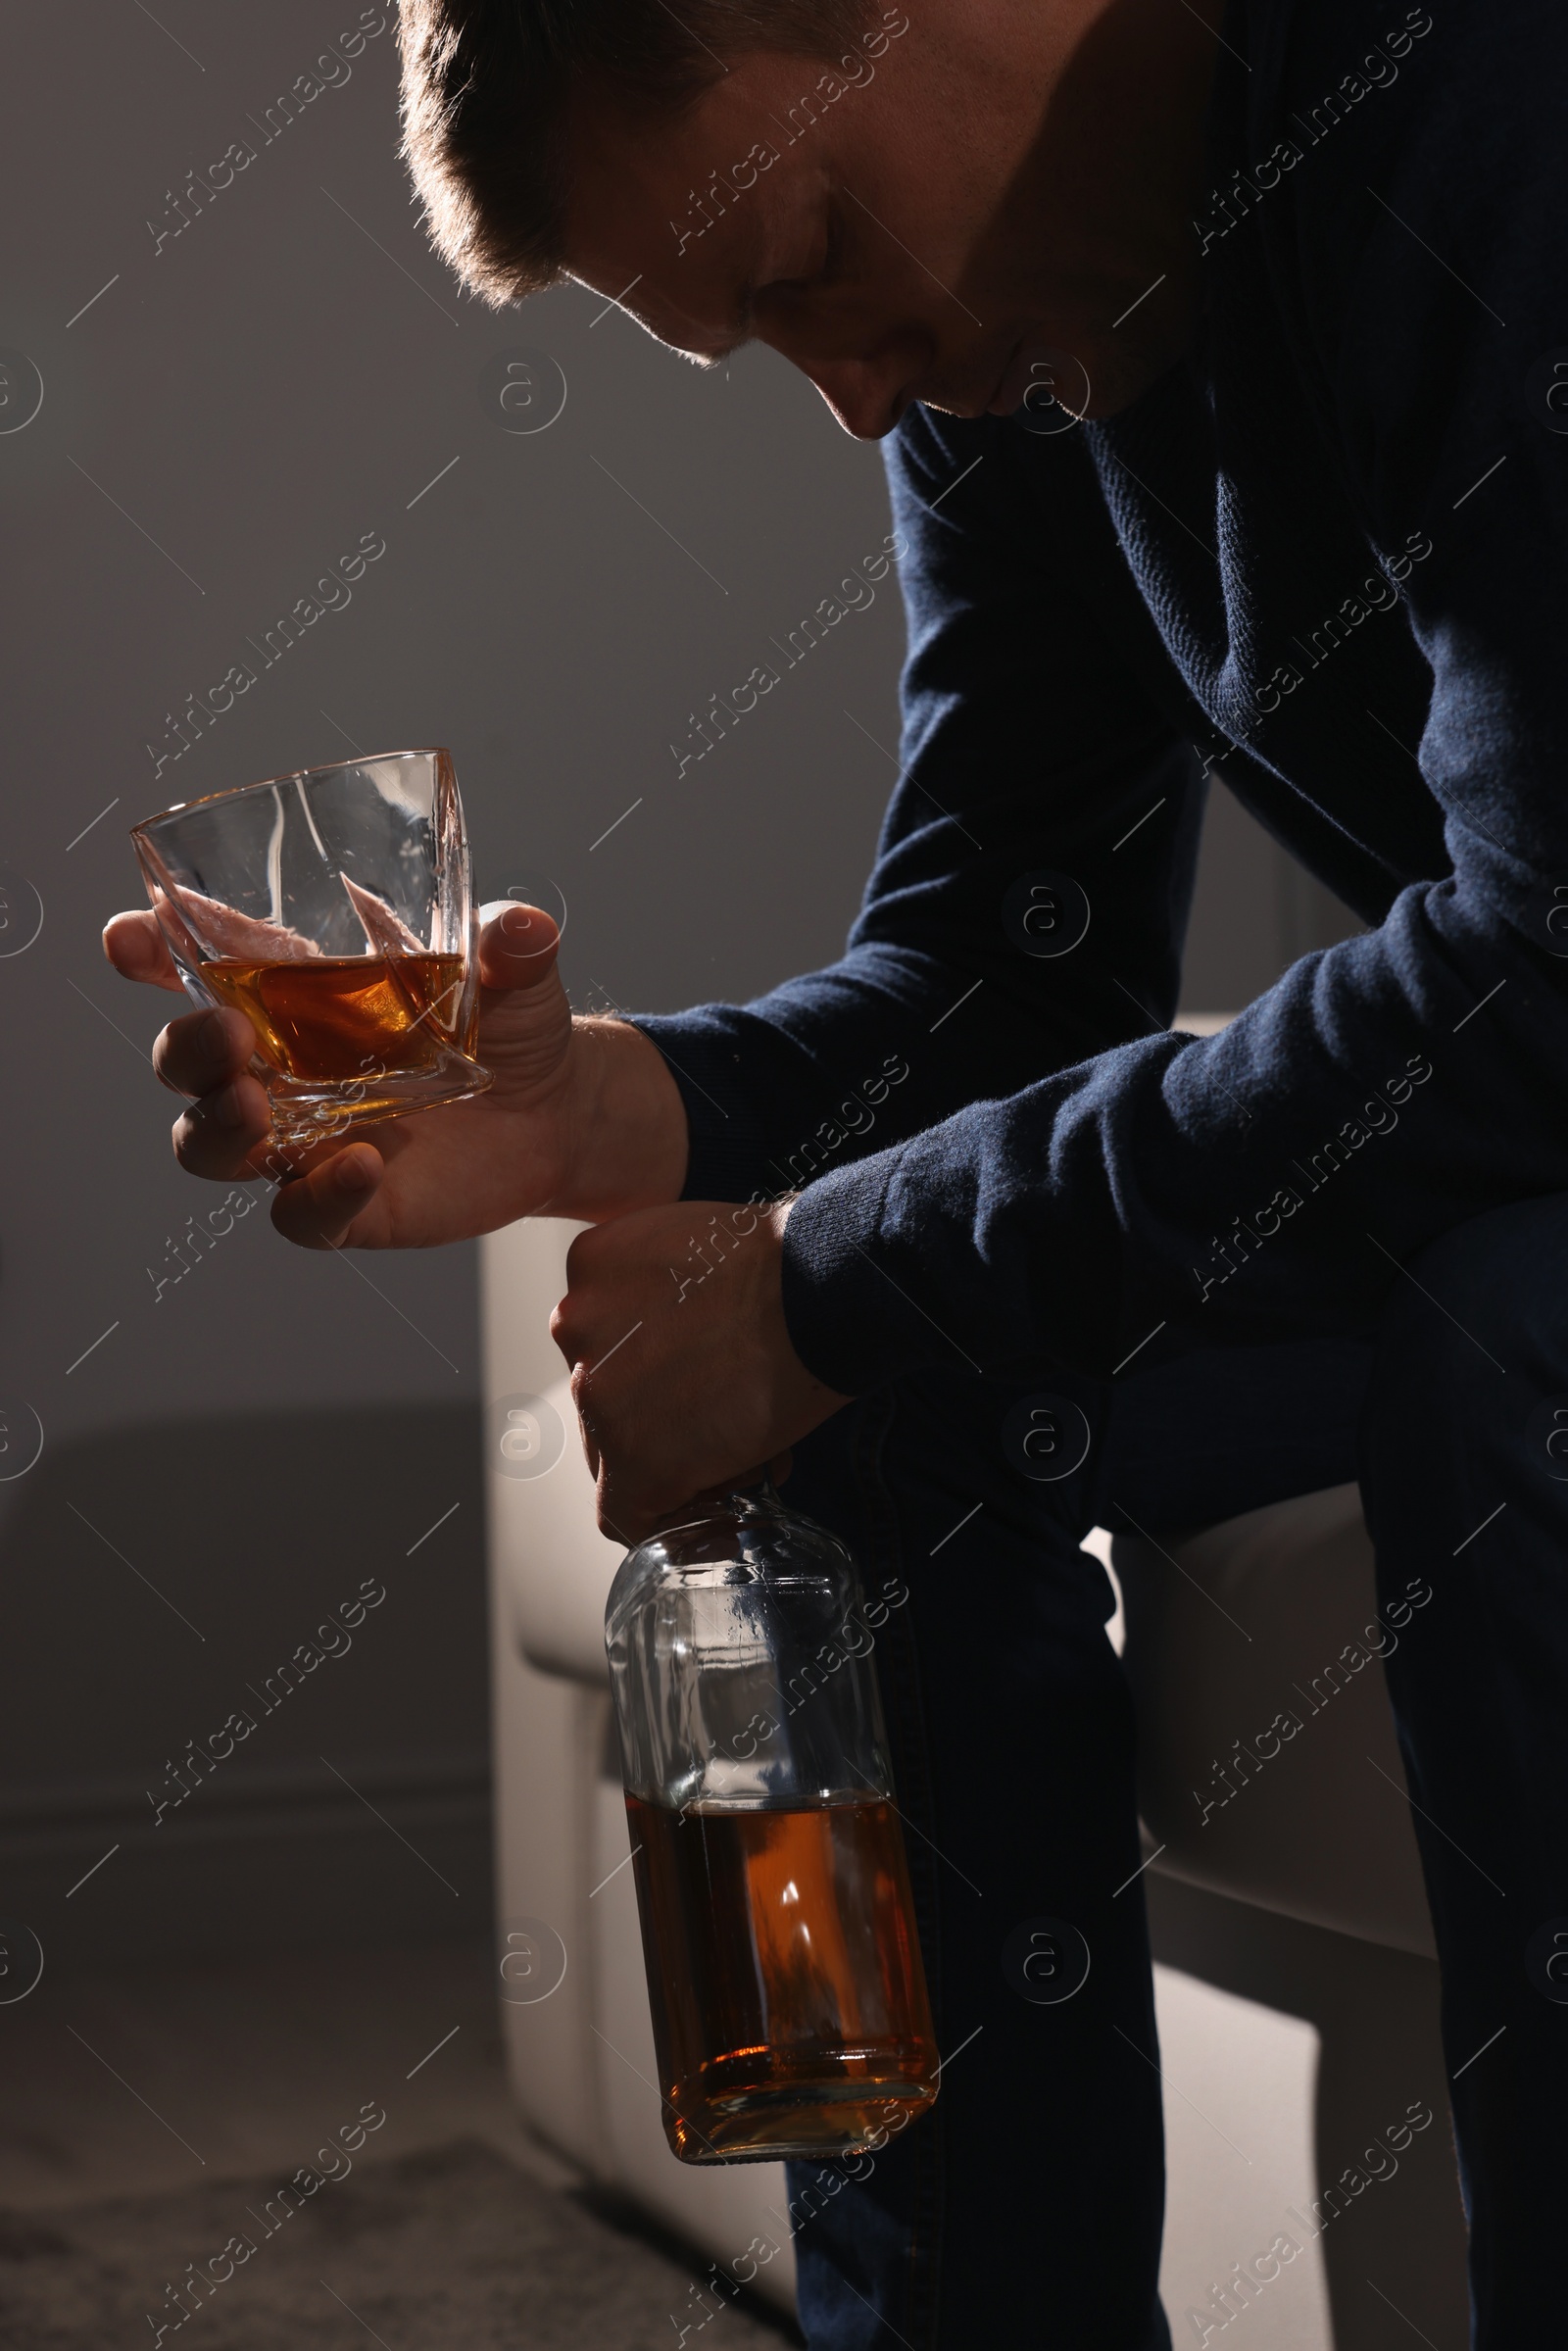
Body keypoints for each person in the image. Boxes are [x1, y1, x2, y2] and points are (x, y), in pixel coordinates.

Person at [106, 0, 1568, 2338]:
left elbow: (1536, 962)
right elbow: (1009, 969)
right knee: (854, 1382)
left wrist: (818, 1264)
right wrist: (600, 1115)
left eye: (793, 263)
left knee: (1500, 1350)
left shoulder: (1477, 94)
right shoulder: (1013, 331)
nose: (853, 396)